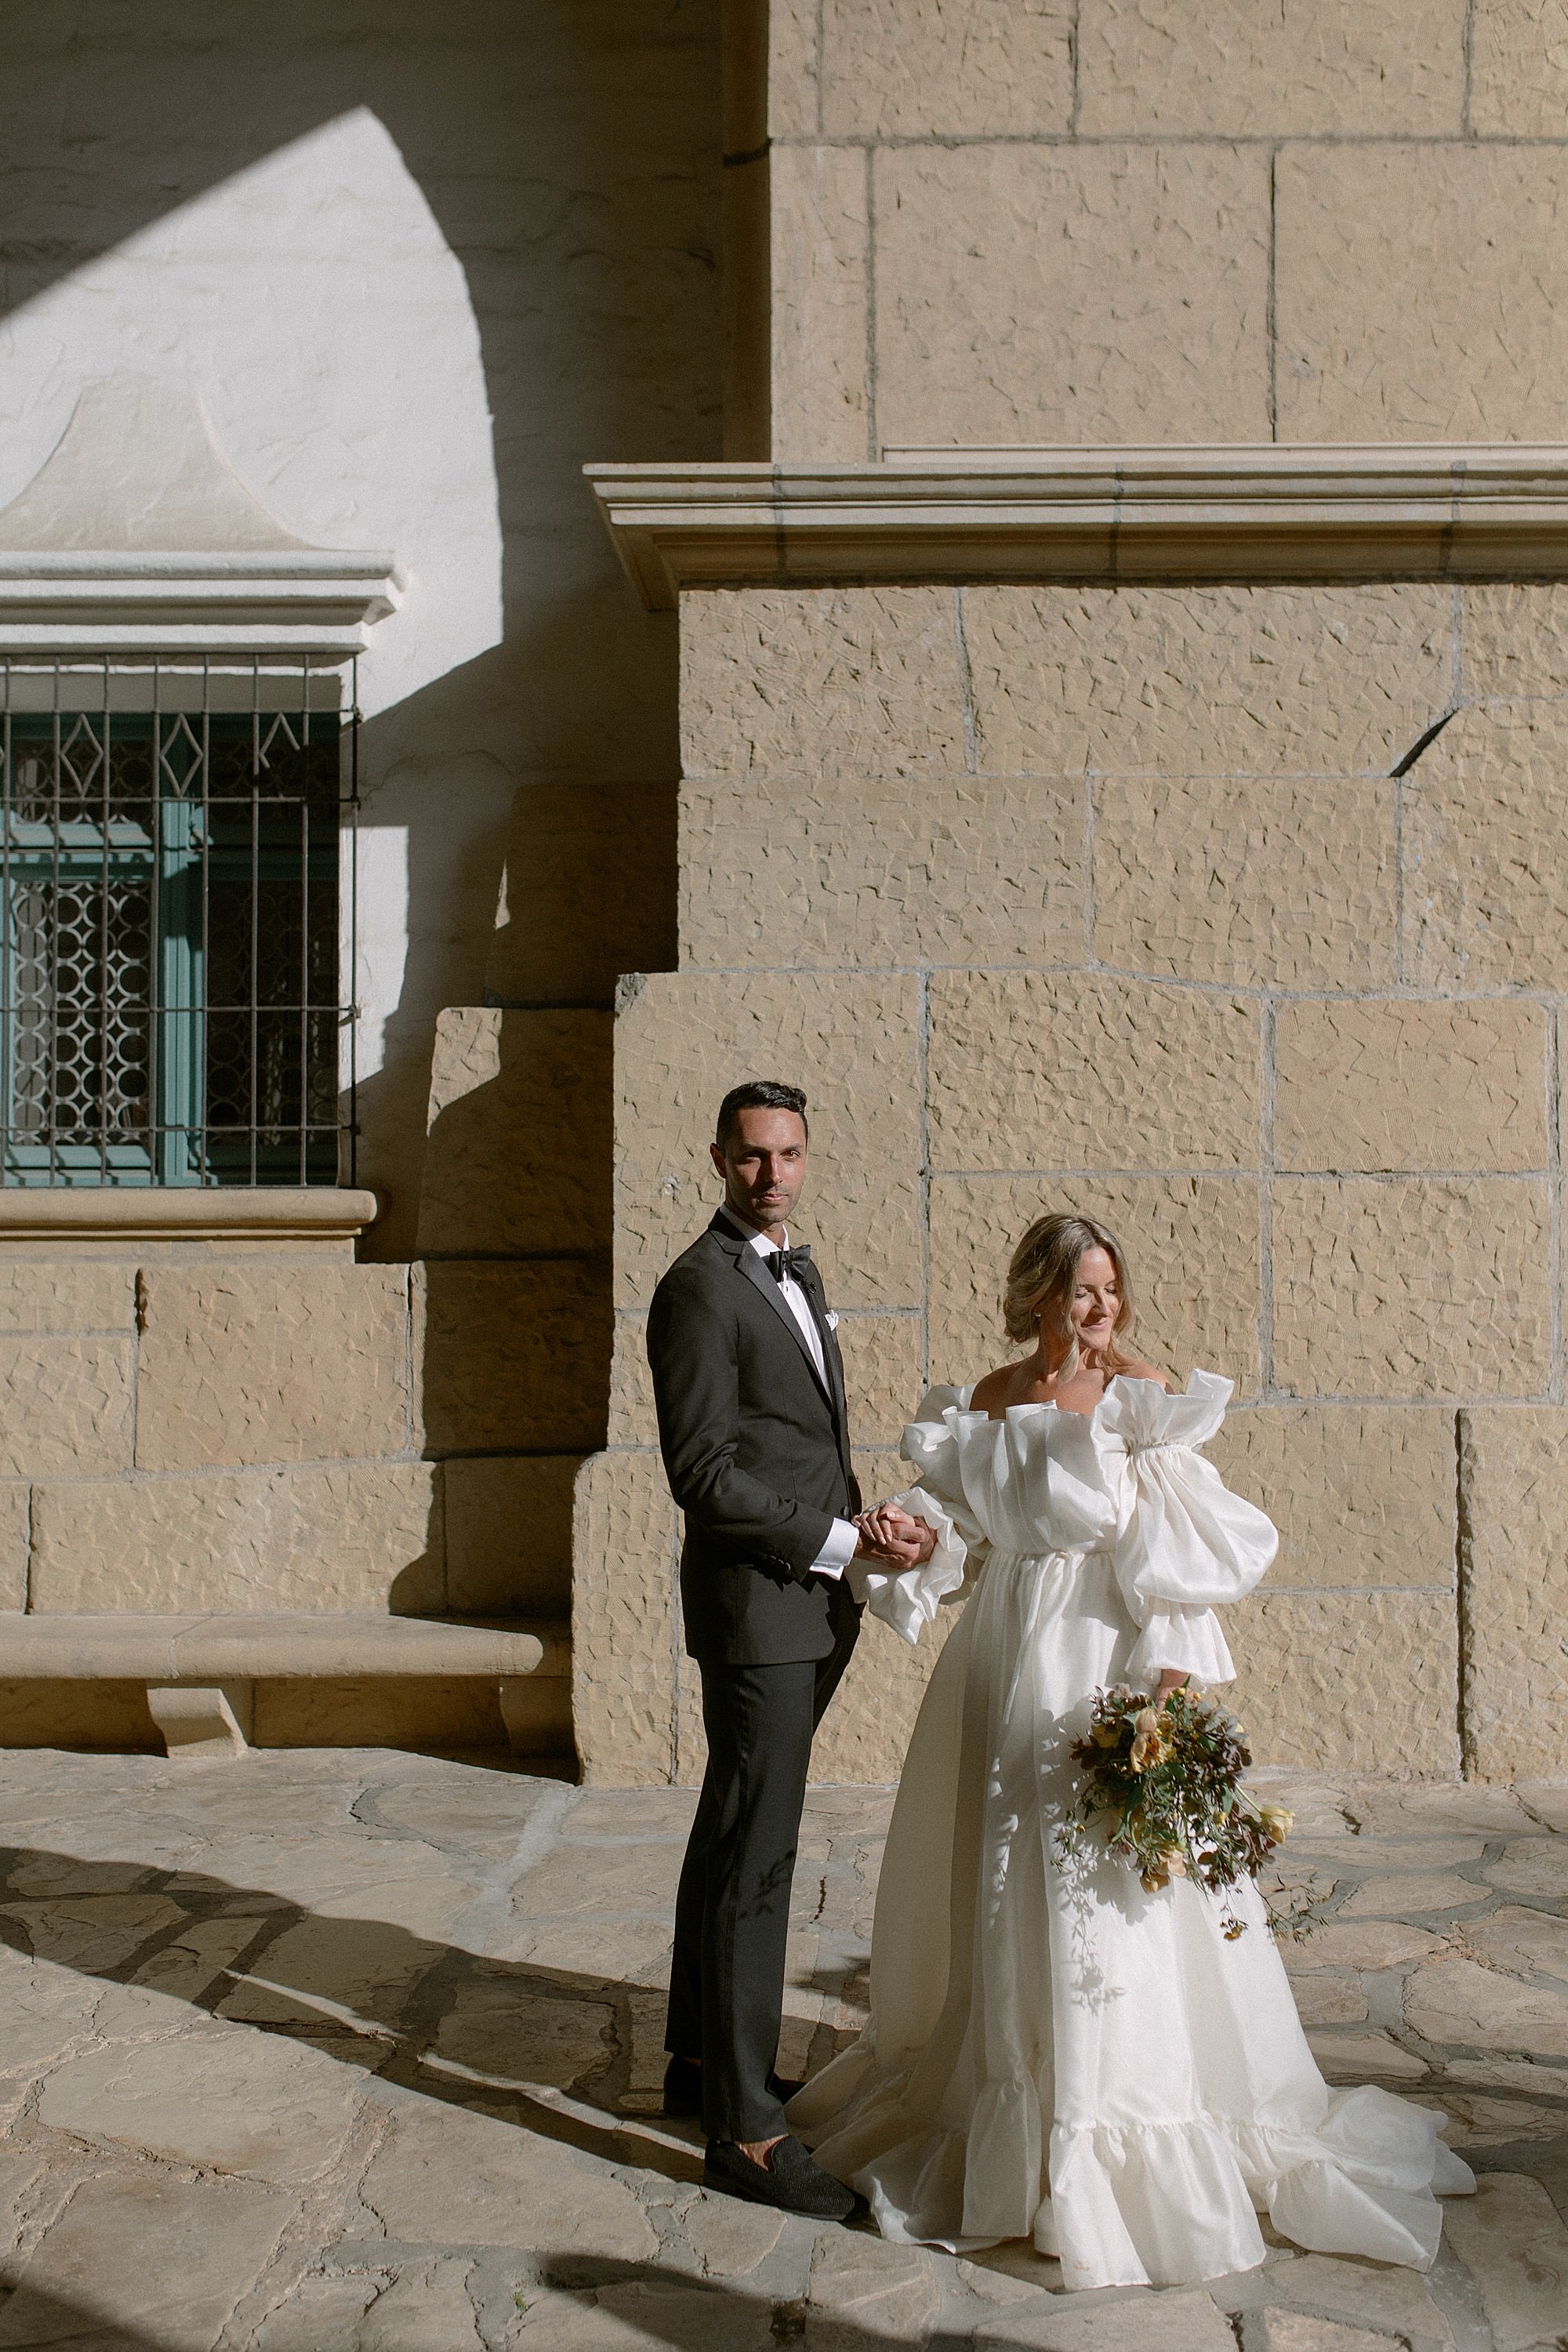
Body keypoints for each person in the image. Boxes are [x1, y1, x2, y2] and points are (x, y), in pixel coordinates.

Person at [787, 1211, 1475, 2288]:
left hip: (1101, 1659)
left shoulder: (1141, 1407)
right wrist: (913, 1532)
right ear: (1037, 1296)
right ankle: (1018, 2118)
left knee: (1110, 1890)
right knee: (1007, 1887)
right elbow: (959, 1529)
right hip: (1002, 1657)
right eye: (1080, 1290)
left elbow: (1172, 1557)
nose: (1100, 1309)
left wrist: (1166, 1696)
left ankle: (1120, 2126)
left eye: (1110, 1289)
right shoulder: (983, 1400)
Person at [646, 1078, 935, 2218]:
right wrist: (832, 1540)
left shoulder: (792, 1270)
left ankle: (697, 2062)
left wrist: (865, 1536)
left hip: (814, 1602)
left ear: (808, 1160)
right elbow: (703, 1474)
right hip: (759, 1608)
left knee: (732, 1826)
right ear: (720, 1159)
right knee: (759, 1857)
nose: (773, 1175)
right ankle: (746, 2136)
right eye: (753, 1157)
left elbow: (803, 1441)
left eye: (791, 1154)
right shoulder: (698, 1290)